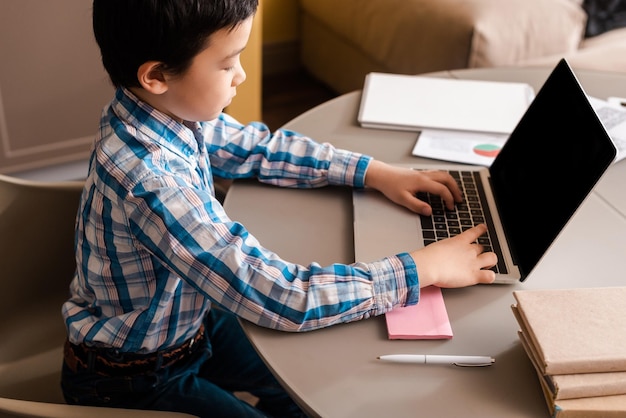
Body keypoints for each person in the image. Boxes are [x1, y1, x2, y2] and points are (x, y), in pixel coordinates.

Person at [61, 1, 497, 417]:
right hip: (134, 378)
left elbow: (257, 149)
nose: (241, 76)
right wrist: (420, 270)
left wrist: (373, 172)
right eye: (228, 63)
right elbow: (282, 296)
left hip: (189, 327)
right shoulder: (152, 183)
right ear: (157, 75)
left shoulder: (158, 111)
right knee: (306, 379)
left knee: (310, 388)